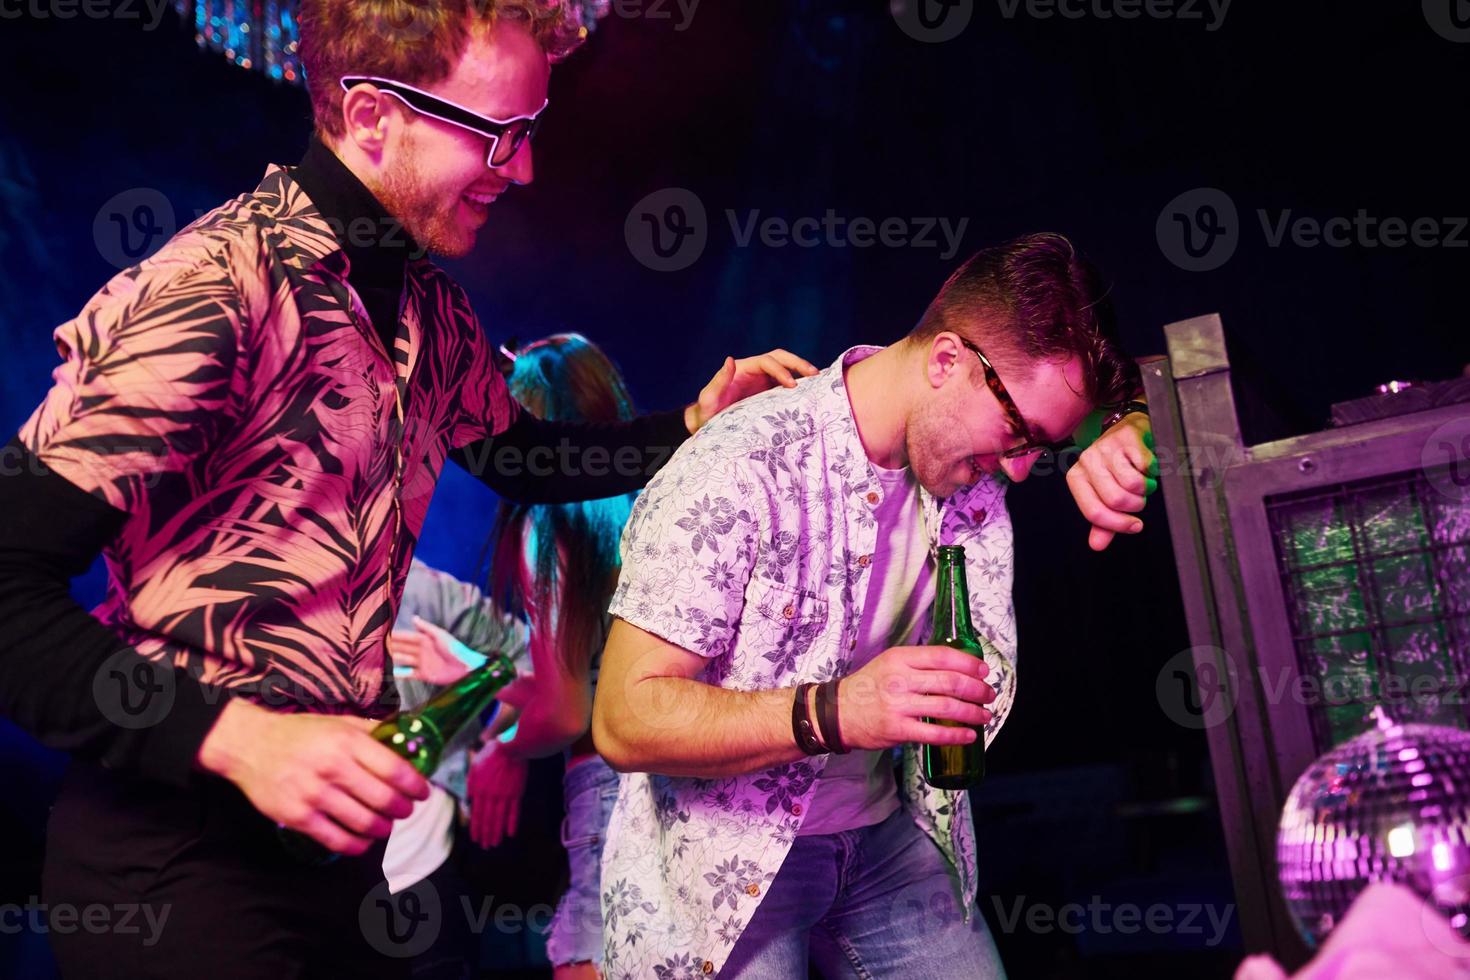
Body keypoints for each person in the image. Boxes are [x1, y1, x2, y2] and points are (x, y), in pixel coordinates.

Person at [0, 1, 816, 976]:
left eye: (531, 131)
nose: (522, 169)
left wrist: (692, 422)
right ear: (374, 116)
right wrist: (238, 736)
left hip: (340, 865)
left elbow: (524, 455)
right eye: (497, 134)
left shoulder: (431, 307)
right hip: (175, 863)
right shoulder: (213, 288)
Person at [591, 233, 1156, 979]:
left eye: (1043, 447)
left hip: (889, 842)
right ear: (947, 360)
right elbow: (624, 720)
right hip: (728, 856)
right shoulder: (743, 460)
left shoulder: (965, 458)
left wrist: (1130, 431)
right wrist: (839, 712)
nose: (1021, 470)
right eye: (1018, 434)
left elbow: (1152, 380)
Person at [393, 334, 642, 979]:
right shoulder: (655, 504)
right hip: (684, 776)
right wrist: (475, 673)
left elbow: (565, 713)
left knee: (584, 963)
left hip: (613, 784)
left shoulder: (554, 523)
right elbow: (592, 675)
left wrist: (499, 748)